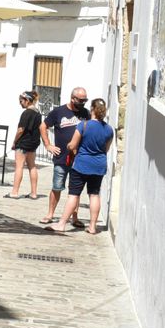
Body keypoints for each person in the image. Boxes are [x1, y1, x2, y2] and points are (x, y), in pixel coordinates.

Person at [51, 98, 115, 235]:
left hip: (81, 165)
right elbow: (106, 149)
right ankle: (92, 227)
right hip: (99, 166)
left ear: (92, 109)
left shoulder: (83, 126)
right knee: (94, 194)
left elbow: (72, 145)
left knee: (73, 194)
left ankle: (61, 224)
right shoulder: (109, 130)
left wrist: (69, 146)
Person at [39, 87, 90, 225]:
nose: (83, 103)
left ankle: (75, 217)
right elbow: (43, 126)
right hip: (62, 158)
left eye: (85, 100)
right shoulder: (58, 112)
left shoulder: (86, 113)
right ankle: (50, 214)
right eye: (80, 100)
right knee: (57, 187)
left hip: (79, 158)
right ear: (72, 98)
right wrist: (48, 145)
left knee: (75, 190)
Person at [7, 91, 43, 200]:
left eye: (21, 101)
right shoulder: (38, 113)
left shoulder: (26, 113)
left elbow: (20, 130)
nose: (20, 103)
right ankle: (34, 193)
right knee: (32, 166)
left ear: (27, 101)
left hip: (23, 143)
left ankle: (14, 192)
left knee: (19, 166)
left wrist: (14, 142)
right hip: (33, 143)